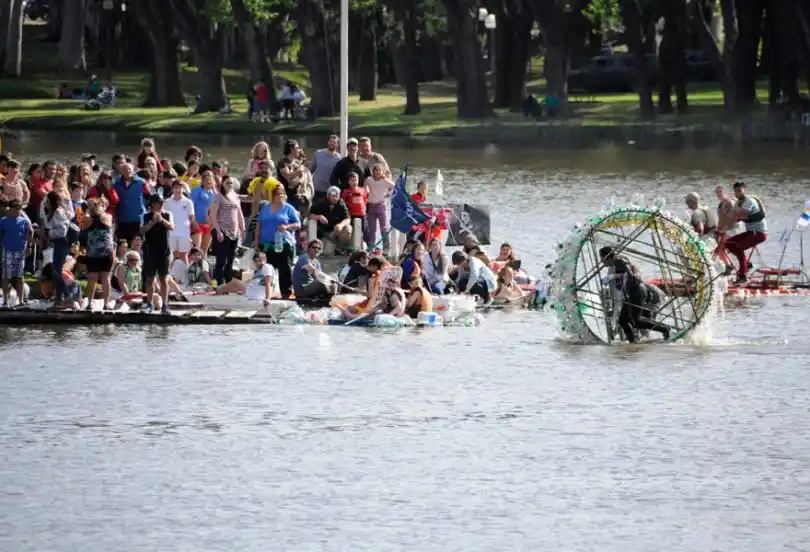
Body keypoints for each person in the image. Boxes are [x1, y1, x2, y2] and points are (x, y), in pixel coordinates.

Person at [599, 246, 670, 343]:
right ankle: (632, 341)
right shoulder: (620, 260)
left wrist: (612, 276)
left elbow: (628, 274)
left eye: (601, 258)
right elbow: (630, 270)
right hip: (631, 293)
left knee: (636, 321)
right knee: (623, 320)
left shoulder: (618, 261)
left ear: (606, 257)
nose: (601, 261)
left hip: (636, 292)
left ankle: (664, 328)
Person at [253, 186, 301, 298]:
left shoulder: (289, 208)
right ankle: (266, 292)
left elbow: (298, 224)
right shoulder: (265, 208)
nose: (280, 196)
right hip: (266, 244)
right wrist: (256, 240)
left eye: (282, 194)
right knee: (267, 268)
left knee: (284, 268)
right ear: (273, 196)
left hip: (284, 244)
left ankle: (286, 293)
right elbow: (258, 225)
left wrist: (287, 226)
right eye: (277, 194)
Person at [726, 181, 768, 284]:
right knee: (728, 243)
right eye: (736, 191)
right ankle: (746, 264)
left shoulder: (749, 201)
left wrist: (736, 215)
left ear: (744, 189)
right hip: (750, 232)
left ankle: (742, 276)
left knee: (738, 247)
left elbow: (742, 215)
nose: (737, 193)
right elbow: (733, 217)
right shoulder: (738, 202)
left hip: (759, 233)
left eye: (739, 190)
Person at [141, 194, 175, 314]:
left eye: (160, 203)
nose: (158, 205)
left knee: (163, 278)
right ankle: (150, 304)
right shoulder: (145, 216)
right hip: (150, 251)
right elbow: (142, 230)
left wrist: (161, 220)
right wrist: (152, 222)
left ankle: (165, 305)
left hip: (164, 251)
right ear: (151, 204)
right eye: (156, 203)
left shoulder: (167, 214)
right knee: (149, 279)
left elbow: (171, 226)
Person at [209, 176, 245, 284]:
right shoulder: (218, 196)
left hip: (234, 232)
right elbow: (213, 215)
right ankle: (218, 283)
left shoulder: (235, 196)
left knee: (230, 259)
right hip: (222, 230)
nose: (229, 185)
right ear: (223, 183)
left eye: (231, 183)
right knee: (221, 260)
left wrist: (242, 229)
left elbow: (239, 214)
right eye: (227, 183)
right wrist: (218, 231)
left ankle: (228, 283)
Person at [82, 197, 115, 310]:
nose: (97, 207)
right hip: (93, 253)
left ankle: (105, 303)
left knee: (105, 277)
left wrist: (92, 210)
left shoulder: (107, 216)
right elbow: (85, 223)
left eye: (101, 205)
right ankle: (90, 303)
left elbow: (102, 218)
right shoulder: (88, 218)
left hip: (105, 253)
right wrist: (89, 209)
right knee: (93, 278)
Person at [0, 199, 34, 307]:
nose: (19, 212)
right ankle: (5, 301)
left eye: (20, 209)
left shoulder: (24, 221)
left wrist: (29, 246)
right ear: (11, 209)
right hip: (7, 251)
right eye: (17, 209)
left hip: (20, 251)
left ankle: (21, 300)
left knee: (19, 277)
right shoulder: (3, 221)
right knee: (6, 276)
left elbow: (29, 232)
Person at [42, 191, 72, 306]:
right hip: (57, 243)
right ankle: (59, 299)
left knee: (56, 272)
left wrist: (49, 233)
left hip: (62, 243)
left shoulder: (58, 212)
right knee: (56, 271)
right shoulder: (53, 211)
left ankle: (67, 295)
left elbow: (63, 231)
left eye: (47, 200)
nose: (46, 202)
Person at [113, 162, 149, 243]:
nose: (127, 171)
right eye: (125, 170)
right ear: (121, 171)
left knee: (138, 244)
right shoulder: (116, 183)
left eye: (129, 169)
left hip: (138, 220)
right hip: (122, 220)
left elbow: (149, 197)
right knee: (123, 245)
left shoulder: (142, 182)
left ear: (133, 170)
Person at [308, 186, 352, 250]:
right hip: (324, 233)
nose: (335, 198)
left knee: (348, 228)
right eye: (333, 196)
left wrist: (341, 225)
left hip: (336, 231)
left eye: (337, 196)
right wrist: (319, 217)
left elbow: (348, 219)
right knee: (328, 252)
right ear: (328, 196)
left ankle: (341, 248)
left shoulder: (341, 203)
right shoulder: (320, 203)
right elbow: (310, 216)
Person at [364, 163, 395, 251]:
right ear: (373, 171)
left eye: (379, 170)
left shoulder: (385, 181)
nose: (377, 172)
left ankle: (386, 247)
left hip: (381, 205)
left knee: (383, 227)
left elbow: (394, 186)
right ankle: (371, 246)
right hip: (371, 205)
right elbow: (365, 186)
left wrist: (389, 193)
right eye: (376, 170)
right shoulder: (369, 179)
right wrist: (367, 191)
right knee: (372, 228)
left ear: (382, 172)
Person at [163, 180, 195, 266]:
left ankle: (185, 274)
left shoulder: (188, 202)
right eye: (176, 187)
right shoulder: (167, 202)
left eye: (180, 188)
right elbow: (164, 216)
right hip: (171, 233)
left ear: (183, 189)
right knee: (173, 256)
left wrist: (185, 227)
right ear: (172, 189)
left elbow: (191, 217)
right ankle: (172, 273)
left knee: (184, 255)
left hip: (184, 233)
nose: (178, 190)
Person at [190, 169, 216, 254]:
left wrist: (213, 223)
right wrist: (193, 221)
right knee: (196, 249)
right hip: (197, 223)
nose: (209, 181)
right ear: (202, 180)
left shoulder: (213, 192)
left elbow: (214, 208)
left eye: (210, 179)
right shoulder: (197, 190)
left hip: (208, 224)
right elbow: (190, 206)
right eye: (206, 179)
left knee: (204, 250)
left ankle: (203, 262)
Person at [310, 135, 341, 203]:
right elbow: (311, 170)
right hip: (316, 189)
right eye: (330, 141)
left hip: (330, 191)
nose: (332, 143)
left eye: (334, 142)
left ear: (337, 145)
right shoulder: (318, 153)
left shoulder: (339, 158)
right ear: (328, 142)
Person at [341, 172, 367, 242]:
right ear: (349, 182)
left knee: (361, 233)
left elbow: (365, 201)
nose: (354, 182)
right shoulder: (346, 191)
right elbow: (342, 203)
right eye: (352, 180)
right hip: (351, 215)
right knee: (351, 232)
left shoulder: (362, 190)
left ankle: (360, 245)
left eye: (356, 180)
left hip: (361, 215)